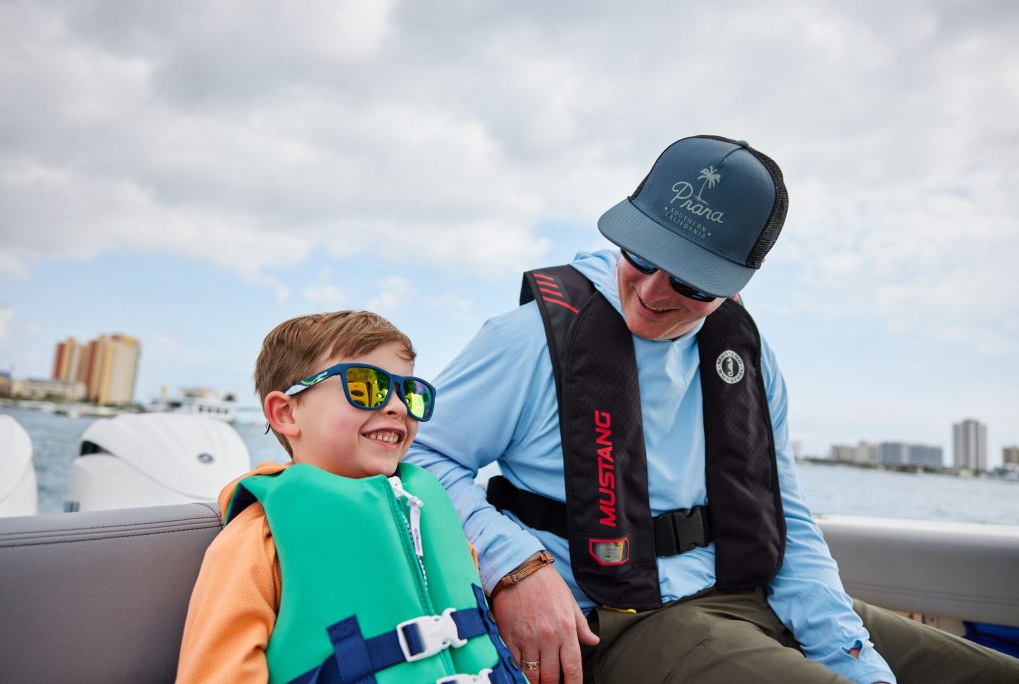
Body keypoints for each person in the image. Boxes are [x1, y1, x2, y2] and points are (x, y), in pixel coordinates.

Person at [405, 136, 1019, 683]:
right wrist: (514, 565)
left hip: (749, 595)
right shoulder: (528, 339)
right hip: (625, 620)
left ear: (738, 282)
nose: (649, 292)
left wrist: (850, 654)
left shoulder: (748, 358)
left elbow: (786, 516)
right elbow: (416, 452)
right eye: (640, 255)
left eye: (690, 282)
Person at [177, 310, 525, 683]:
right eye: (365, 388)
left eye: (410, 393)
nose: (397, 406)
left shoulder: (427, 514)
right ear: (286, 414)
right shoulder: (258, 539)